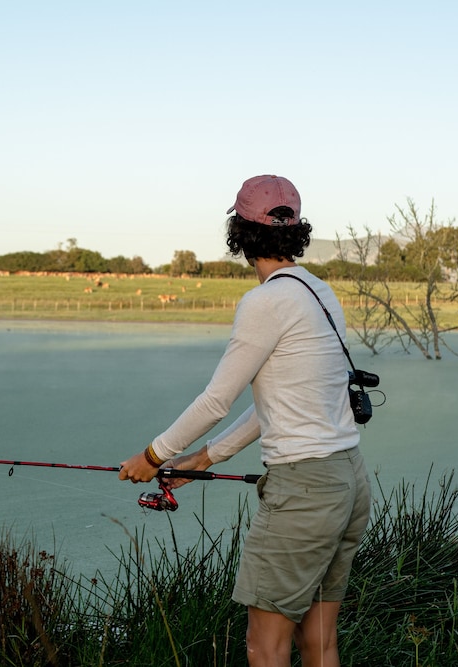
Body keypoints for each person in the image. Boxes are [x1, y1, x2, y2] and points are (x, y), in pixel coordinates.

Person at [119, 175, 371, 667]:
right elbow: (277, 403)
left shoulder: (265, 302)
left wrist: (152, 457)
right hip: (348, 480)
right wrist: (204, 458)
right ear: (295, 231)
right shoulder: (320, 293)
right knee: (319, 642)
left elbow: (216, 401)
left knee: (265, 646)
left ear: (239, 232)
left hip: (303, 492)